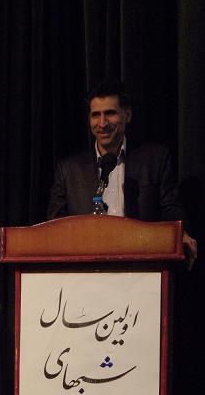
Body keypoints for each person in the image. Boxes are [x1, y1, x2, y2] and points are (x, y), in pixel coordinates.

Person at [47, 78, 197, 269]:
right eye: (95, 115)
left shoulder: (154, 159)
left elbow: (171, 209)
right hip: (87, 270)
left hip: (142, 267)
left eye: (110, 113)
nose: (102, 123)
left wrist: (179, 233)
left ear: (127, 115)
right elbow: (55, 226)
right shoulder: (69, 169)